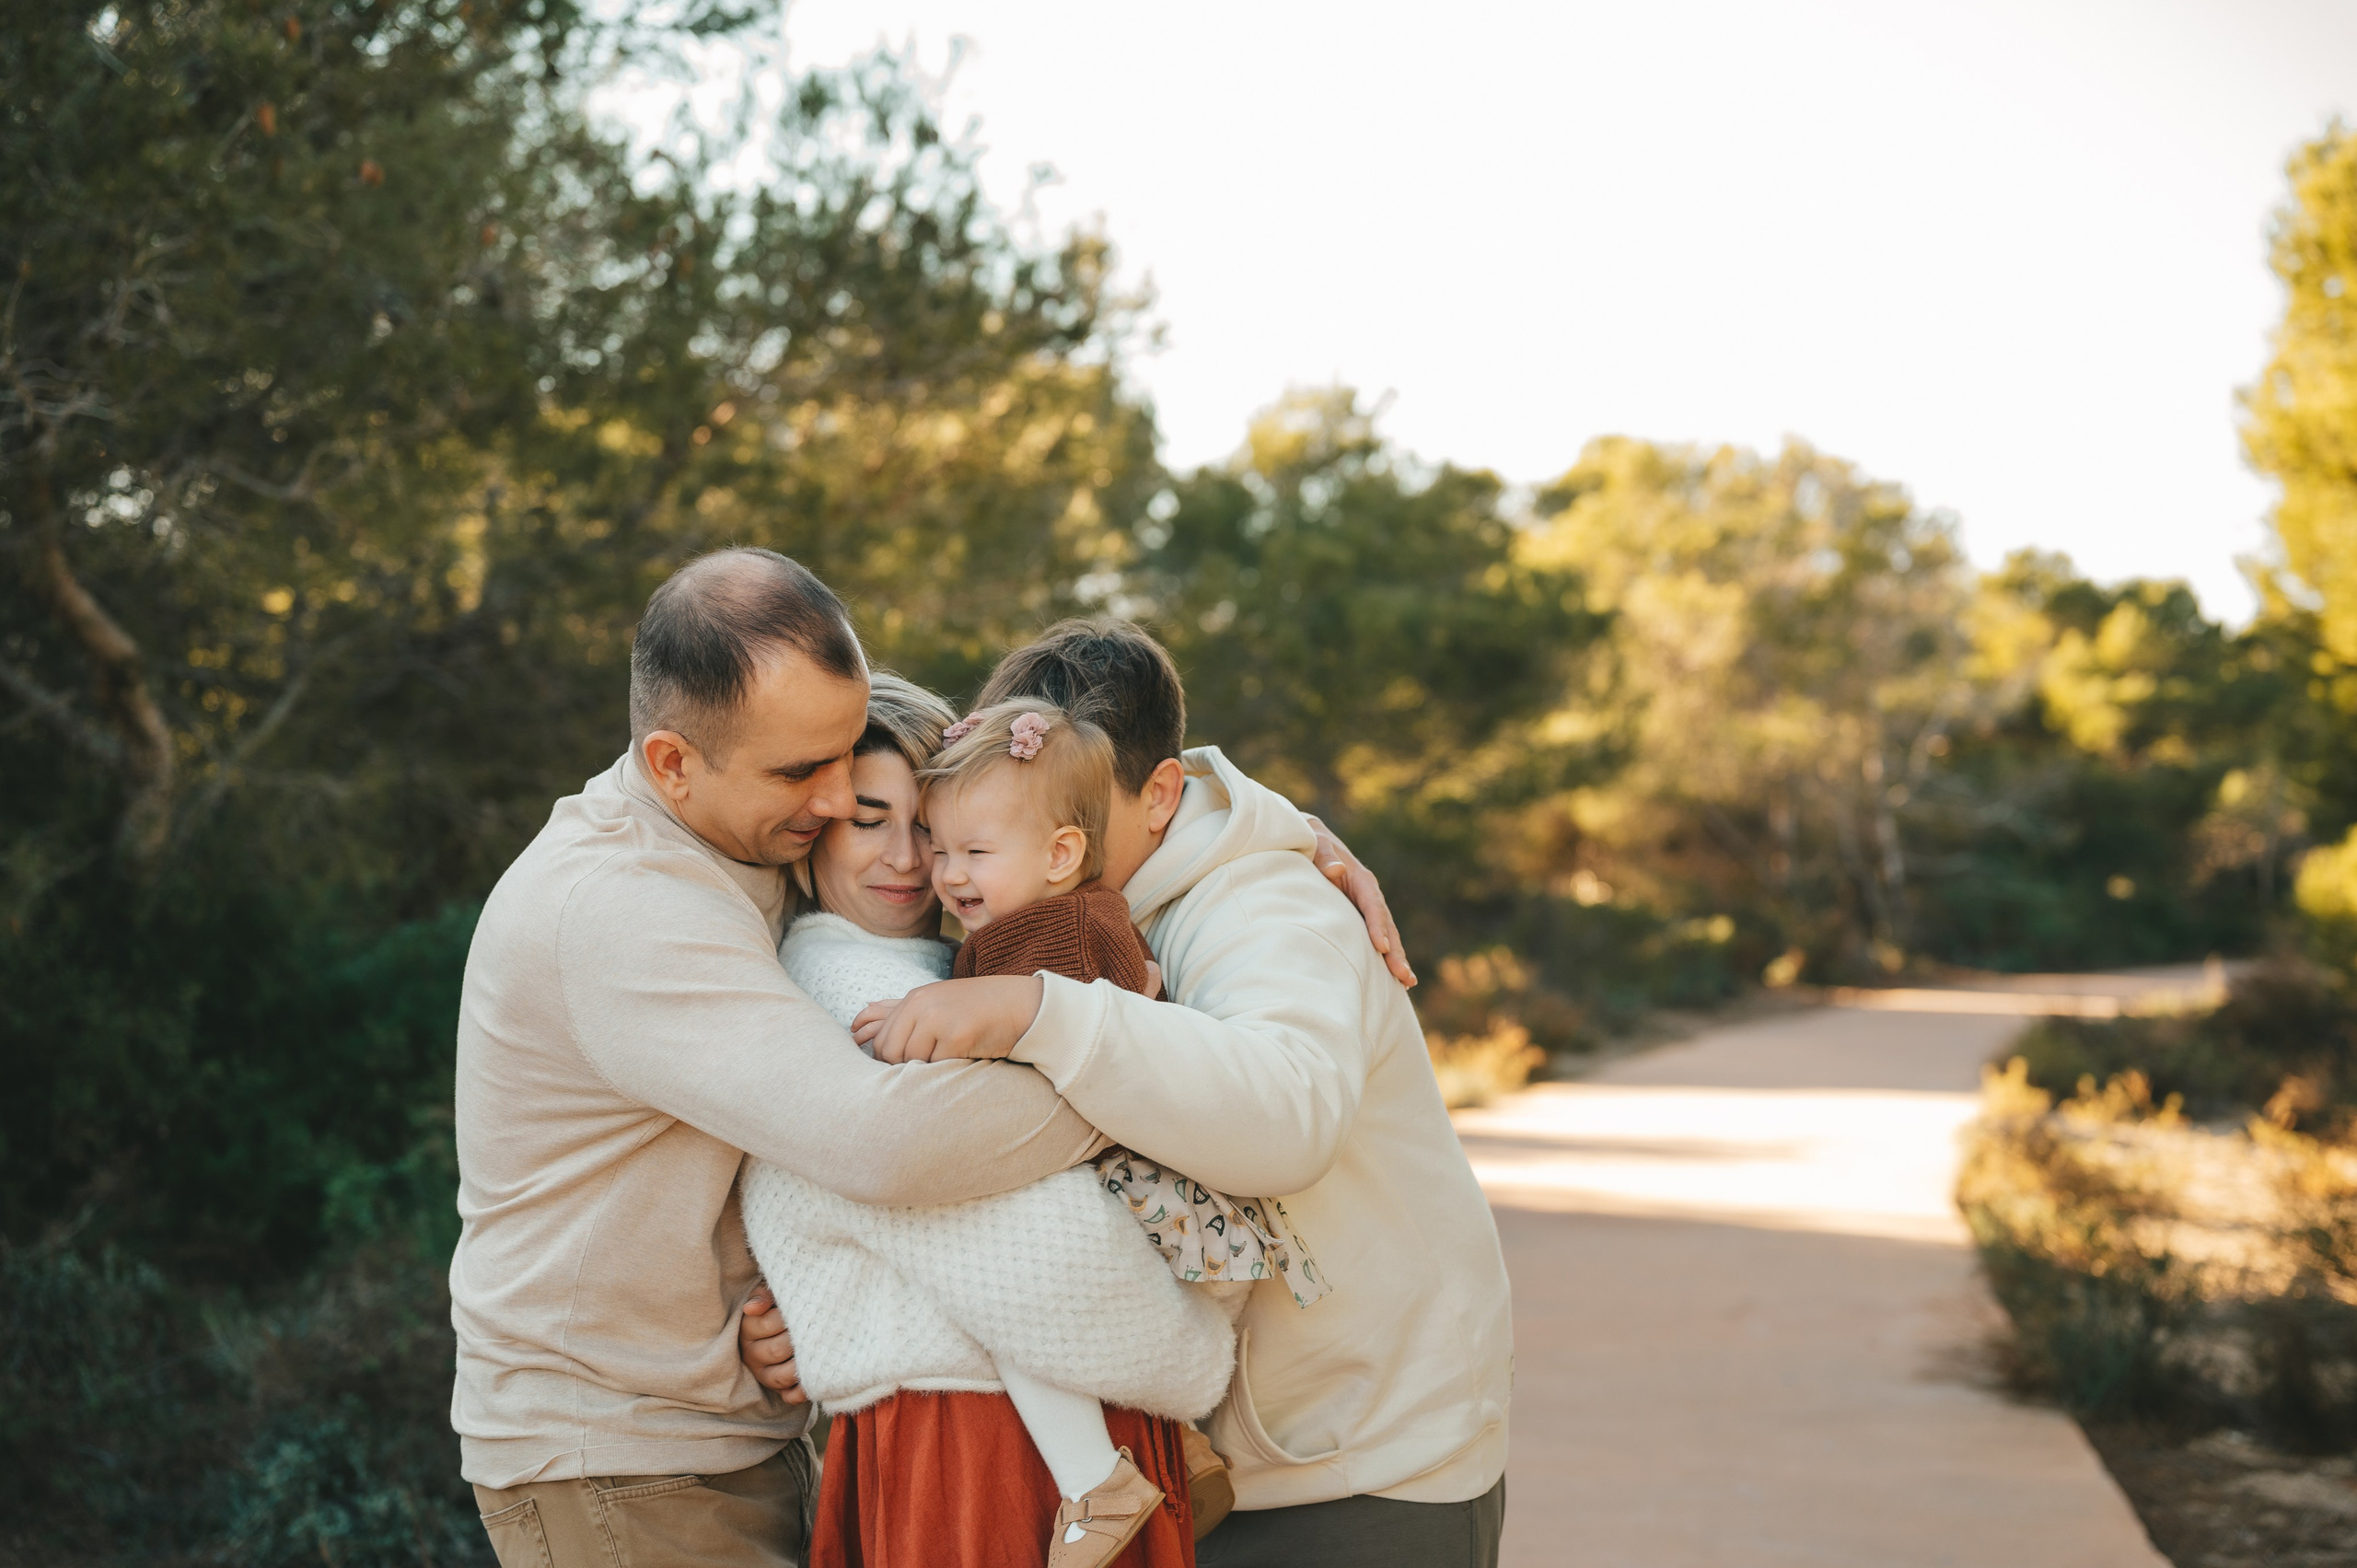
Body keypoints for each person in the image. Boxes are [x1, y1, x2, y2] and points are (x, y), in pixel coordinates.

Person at [749, 620, 1514, 1568]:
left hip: (1348, 1467)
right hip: (1215, 1454)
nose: (1039, 841)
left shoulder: (1263, 904)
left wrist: (1042, 1010)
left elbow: (1286, 1115)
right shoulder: (1046, 893)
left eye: (1070, 816)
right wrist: (833, 1296)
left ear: (1159, 795)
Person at [450, 552, 1105, 1568]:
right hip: (619, 1459)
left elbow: (1048, 792)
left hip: (727, 1430)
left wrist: (1263, 828)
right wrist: (1130, 1079)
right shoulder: (623, 906)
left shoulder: (749, 837)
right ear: (671, 762)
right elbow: (879, 1140)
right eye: (803, 770)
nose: (843, 798)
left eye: (847, 750)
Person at [739, 691, 1242, 1568]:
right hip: (978, 1435)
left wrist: (1305, 842)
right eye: (869, 822)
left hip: (1059, 1413)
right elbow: (1013, 1231)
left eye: (933, 830)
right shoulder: (841, 982)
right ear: (812, 829)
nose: (911, 859)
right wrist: (1179, 1346)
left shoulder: (961, 962)